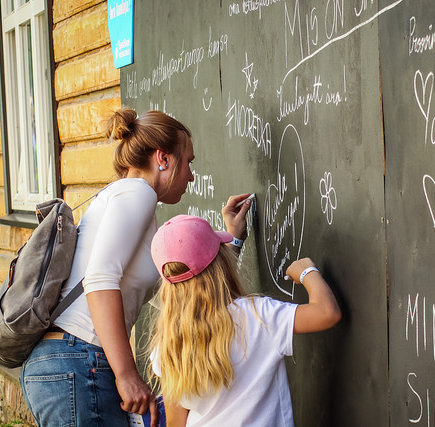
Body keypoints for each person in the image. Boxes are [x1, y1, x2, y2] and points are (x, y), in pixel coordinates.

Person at [19, 108, 252, 427]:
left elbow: (187, 292)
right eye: (189, 162)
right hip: (79, 358)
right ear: (164, 159)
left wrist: (232, 242)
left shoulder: (134, 204)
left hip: (69, 362)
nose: (191, 176)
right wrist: (127, 374)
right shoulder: (137, 192)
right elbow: (99, 280)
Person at [148, 215, 342, 426]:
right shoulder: (259, 316)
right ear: (222, 264)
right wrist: (306, 271)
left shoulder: (167, 343)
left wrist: (236, 240)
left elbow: (175, 422)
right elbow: (326, 313)